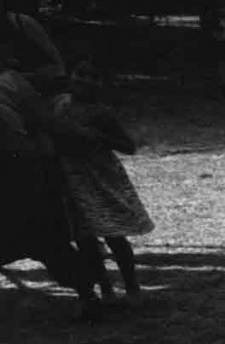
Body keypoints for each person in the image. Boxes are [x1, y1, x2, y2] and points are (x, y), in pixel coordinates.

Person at [0, 42, 102, 317]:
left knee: (44, 237)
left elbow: (47, 121)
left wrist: (86, 134)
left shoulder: (11, 83)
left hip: (17, 168)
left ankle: (87, 291)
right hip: (17, 166)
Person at [52, 62, 153, 299]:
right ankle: (105, 287)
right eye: (80, 76)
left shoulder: (101, 113)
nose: (84, 82)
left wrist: (98, 137)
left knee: (113, 232)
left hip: (99, 179)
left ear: (100, 84)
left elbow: (128, 147)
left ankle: (131, 286)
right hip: (70, 178)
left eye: (92, 77)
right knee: (85, 237)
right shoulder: (59, 103)